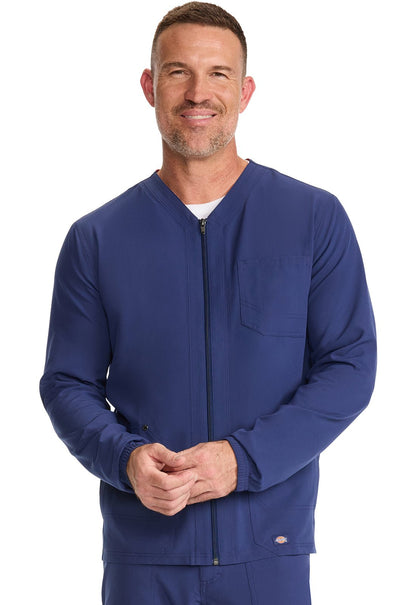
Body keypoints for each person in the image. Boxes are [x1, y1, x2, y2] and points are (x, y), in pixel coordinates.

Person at [40, 2, 377, 604]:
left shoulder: (312, 219)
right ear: (149, 86)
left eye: (218, 73)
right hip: (145, 554)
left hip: (269, 552)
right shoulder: (97, 238)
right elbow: (67, 383)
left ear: (245, 91)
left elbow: (350, 367)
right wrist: (126, 460)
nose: (198, 92)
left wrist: (242, 460)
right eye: (178, 72)